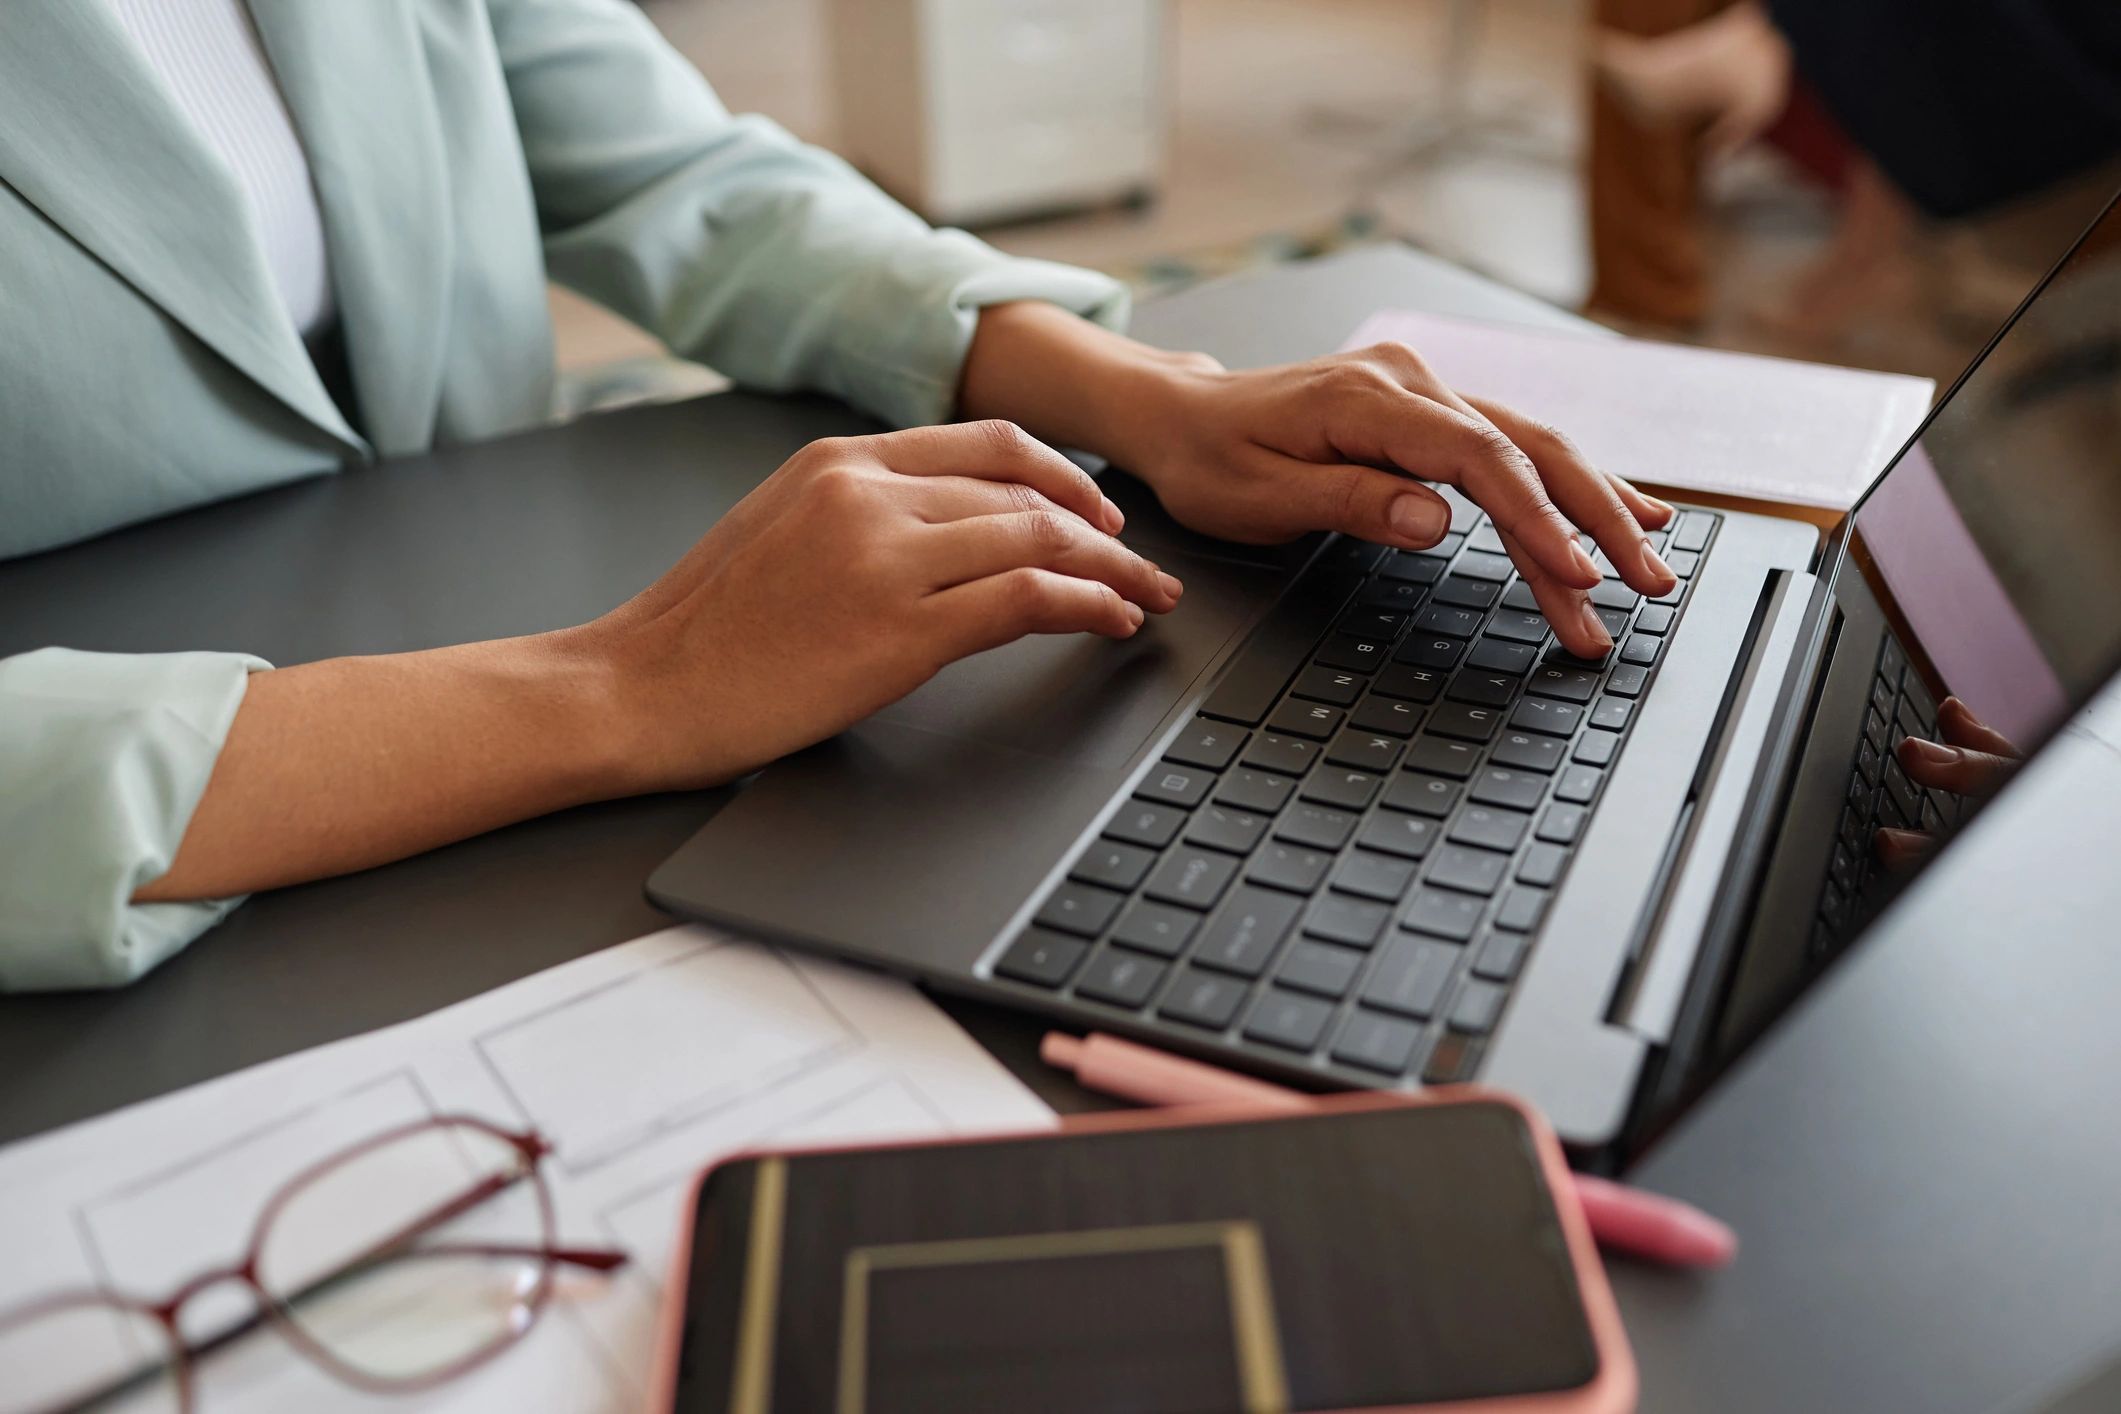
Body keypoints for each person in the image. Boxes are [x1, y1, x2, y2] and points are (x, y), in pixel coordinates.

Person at [0, 0, 1696, 991]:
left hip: (500, 676)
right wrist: (631, 683)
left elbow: (675, 171)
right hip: (177, 872)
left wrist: (1152, 396)